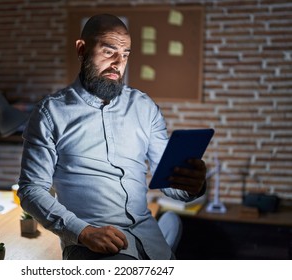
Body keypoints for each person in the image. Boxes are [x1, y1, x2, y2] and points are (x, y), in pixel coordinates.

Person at [18, 14, 206, 260]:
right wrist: (83, 232)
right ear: (82, 49)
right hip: (91, 244)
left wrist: (193, 184)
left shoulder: (144, 107)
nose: (118, 63)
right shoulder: (50, 112)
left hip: (150, 240)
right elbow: (31, 189)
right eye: (109, 52)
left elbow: (169, 184)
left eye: (125, 54)